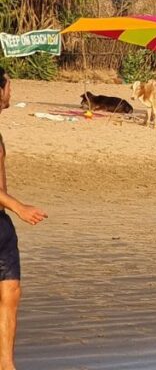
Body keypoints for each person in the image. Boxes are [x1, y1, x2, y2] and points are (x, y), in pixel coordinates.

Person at [0, 68, 47, 370]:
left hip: (1, 224)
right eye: (8, 87)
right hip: (7, 211)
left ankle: (7, 364)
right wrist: (19, 206)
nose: (11, 93)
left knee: (11, 292)